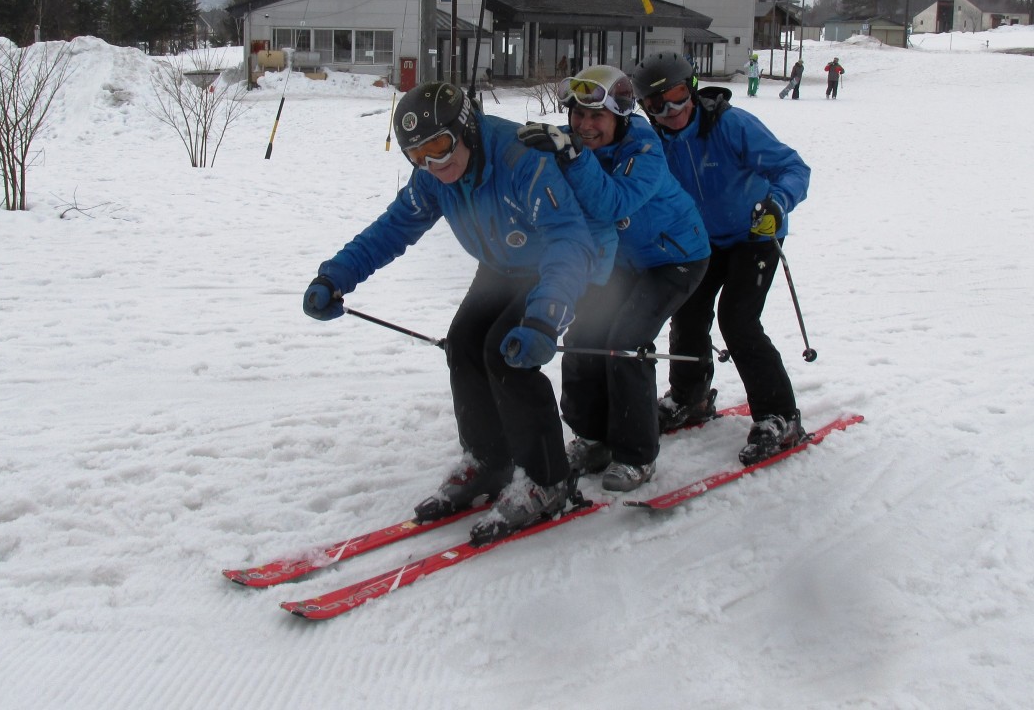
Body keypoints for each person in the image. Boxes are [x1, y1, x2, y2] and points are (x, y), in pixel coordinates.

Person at [303, 81, 608, 544]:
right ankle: (489, 461)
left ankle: (548, 480)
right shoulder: (433, 176)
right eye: (417, 155)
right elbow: (393, 228)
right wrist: (335, 276)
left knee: (507, 355)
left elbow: (569, 239)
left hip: (560, 265)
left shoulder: (520, 159)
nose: (432, 164)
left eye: (440, 147)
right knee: (464, 343)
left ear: (466, 128)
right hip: (502, 264)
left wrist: (544, 318)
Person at [518, 66, 710, 492]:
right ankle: (593, 437)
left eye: (597, 116)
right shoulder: (570, 146)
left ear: (620, 117)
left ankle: (637, 454)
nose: (585, 125)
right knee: (585, 336)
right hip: (620, 261)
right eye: (577, 115)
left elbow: (613, 204)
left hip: (675, 258)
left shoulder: (645, 150)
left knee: (626, 344)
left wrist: (572, 156)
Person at [631, 52, 812, 466]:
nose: (670, 111)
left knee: (738, 319)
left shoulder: (731, 125)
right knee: (687, 313)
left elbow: (793, 167)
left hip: (755, 234)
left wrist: (778, 203)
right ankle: (689, 396)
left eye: (677, 96)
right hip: (699, 242)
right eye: (657, 104)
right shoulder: (653, 143)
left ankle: (779, 415)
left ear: (693, 89)